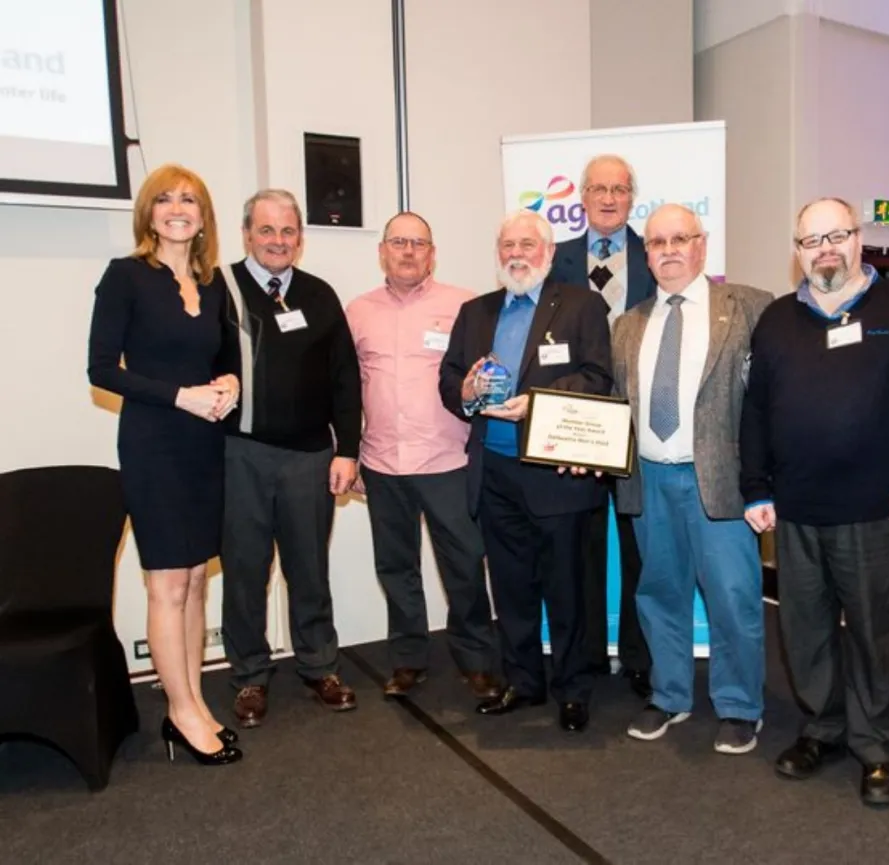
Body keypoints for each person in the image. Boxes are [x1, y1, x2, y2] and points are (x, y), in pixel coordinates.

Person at [740, 197, 889, 806]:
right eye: (811, 241)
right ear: (797, 252)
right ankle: (823, 728)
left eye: (835, 235)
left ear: (858, 239)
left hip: (878, 510)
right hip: (796, 510)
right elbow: (756, 411)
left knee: (875, 634)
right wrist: (755, 486)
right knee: (806, 631)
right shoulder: (777, 320)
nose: (824, 250)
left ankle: (880, 747)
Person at [87, 163, 242, 765]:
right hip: (155, 441)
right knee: (168, 582)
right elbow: (103, 370)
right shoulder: (125, 277)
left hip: (206, 444)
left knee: (200, 575)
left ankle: (195, 701)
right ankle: (178, 712)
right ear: (148, 213)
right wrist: (181, 395)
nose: (178, 208)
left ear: (203, 217)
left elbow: (229, 355)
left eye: (190, 200)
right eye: (165, 200)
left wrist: (227, 380)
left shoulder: (213, 283)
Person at [438, 209, 613, 733]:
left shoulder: (582, 305)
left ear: (549, 252)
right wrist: (466, 392)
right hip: (493, 471)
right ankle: (524, 682)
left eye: (527, 245)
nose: (516, 253)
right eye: (508, 245)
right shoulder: (475, 312)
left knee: (567, 588)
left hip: (558, 470)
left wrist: (536, 400)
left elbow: (598, 376)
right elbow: (449, 381)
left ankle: (573, 689)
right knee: (512, 587)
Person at [611, 204, 773, 754]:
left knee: (733, 597)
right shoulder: (628, 325)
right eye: (657, 242)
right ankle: (669, 694)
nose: (669, 250)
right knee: (658, 594)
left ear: (702, 244)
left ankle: (739, 705)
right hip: (649, 480)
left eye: (681, 238)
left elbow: (771, 399)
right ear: (646, 253)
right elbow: (614, 408)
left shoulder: (750, 306)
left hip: (722, 481)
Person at [219, 189, 362, 728]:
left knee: (309, 568)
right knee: (245, 571)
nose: (277, 241)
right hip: (242, 455)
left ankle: (319, 666)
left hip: (310, 457)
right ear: (246, 235)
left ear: (300, 238)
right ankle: (250, 677)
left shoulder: (320, 295)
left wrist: (347, 449)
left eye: (287, 232)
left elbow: (345, 378)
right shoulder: (220, 290)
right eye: (266, 231)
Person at [347, 212, 502, 701]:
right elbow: (345, 388)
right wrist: (346, 452)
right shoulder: (358, 311)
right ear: (383, 252)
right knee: (396, 568)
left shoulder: (464, 306)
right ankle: (408, 659)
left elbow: (483, 379)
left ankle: (476, 660)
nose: (409, 251)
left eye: (419, 243)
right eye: (399, 242)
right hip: (382, 462)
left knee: (465, 565)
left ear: (432, 253)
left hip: (447, 460)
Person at [552, 154, 653, 697]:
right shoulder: (556, 258)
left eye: (619, 189)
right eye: (599, 189)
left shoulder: (656, 254)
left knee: (639, 546)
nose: (609, 198)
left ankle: (639, 655)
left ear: (632, 197)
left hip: (643, 425)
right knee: (580, 543)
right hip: (579, 422)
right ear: (582, 198)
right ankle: (587, 652)